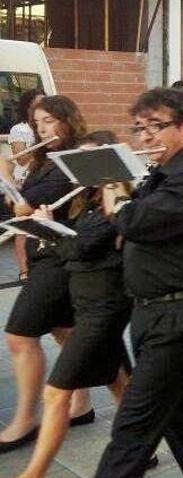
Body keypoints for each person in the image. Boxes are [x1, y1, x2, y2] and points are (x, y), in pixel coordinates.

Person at [92, 87, 183, 478]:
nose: (145, 137)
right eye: (140, 128)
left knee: (132, 430)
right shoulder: (167, 170)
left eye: (157, 126)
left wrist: (116, 198)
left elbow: (137, 222)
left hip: (176, 314)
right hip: (155, 310)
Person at [0, 131, 139, 478]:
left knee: (56, 393)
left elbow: (86, 246)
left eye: (91, 160)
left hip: (103, 307)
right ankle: (143, 446)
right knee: (119, 379)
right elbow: (69, 247)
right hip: (85, 302)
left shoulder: (116, 197)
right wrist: (47, 227)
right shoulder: (86, 200)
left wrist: (50, 232)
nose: (82, 168)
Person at [0, 96, 87, 455]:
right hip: (43, 256)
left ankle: (24, 419)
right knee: (65, 331)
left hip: (60, 259)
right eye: (38, 124)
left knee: (19, 336)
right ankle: (81, 404)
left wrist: (7, 178)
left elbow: (34, 202)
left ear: (68, 120)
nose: (43, 129)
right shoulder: (44, 160)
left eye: (50, 121)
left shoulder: (75, 158)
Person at [6, 88, 45, 281]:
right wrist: (42, 147)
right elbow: (21, 159)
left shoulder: (42, 128)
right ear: (28, 107)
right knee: (23, 226)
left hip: (43, 179)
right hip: (25, 180)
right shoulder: (19, 129)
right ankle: (24, 270)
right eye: (37, 104)